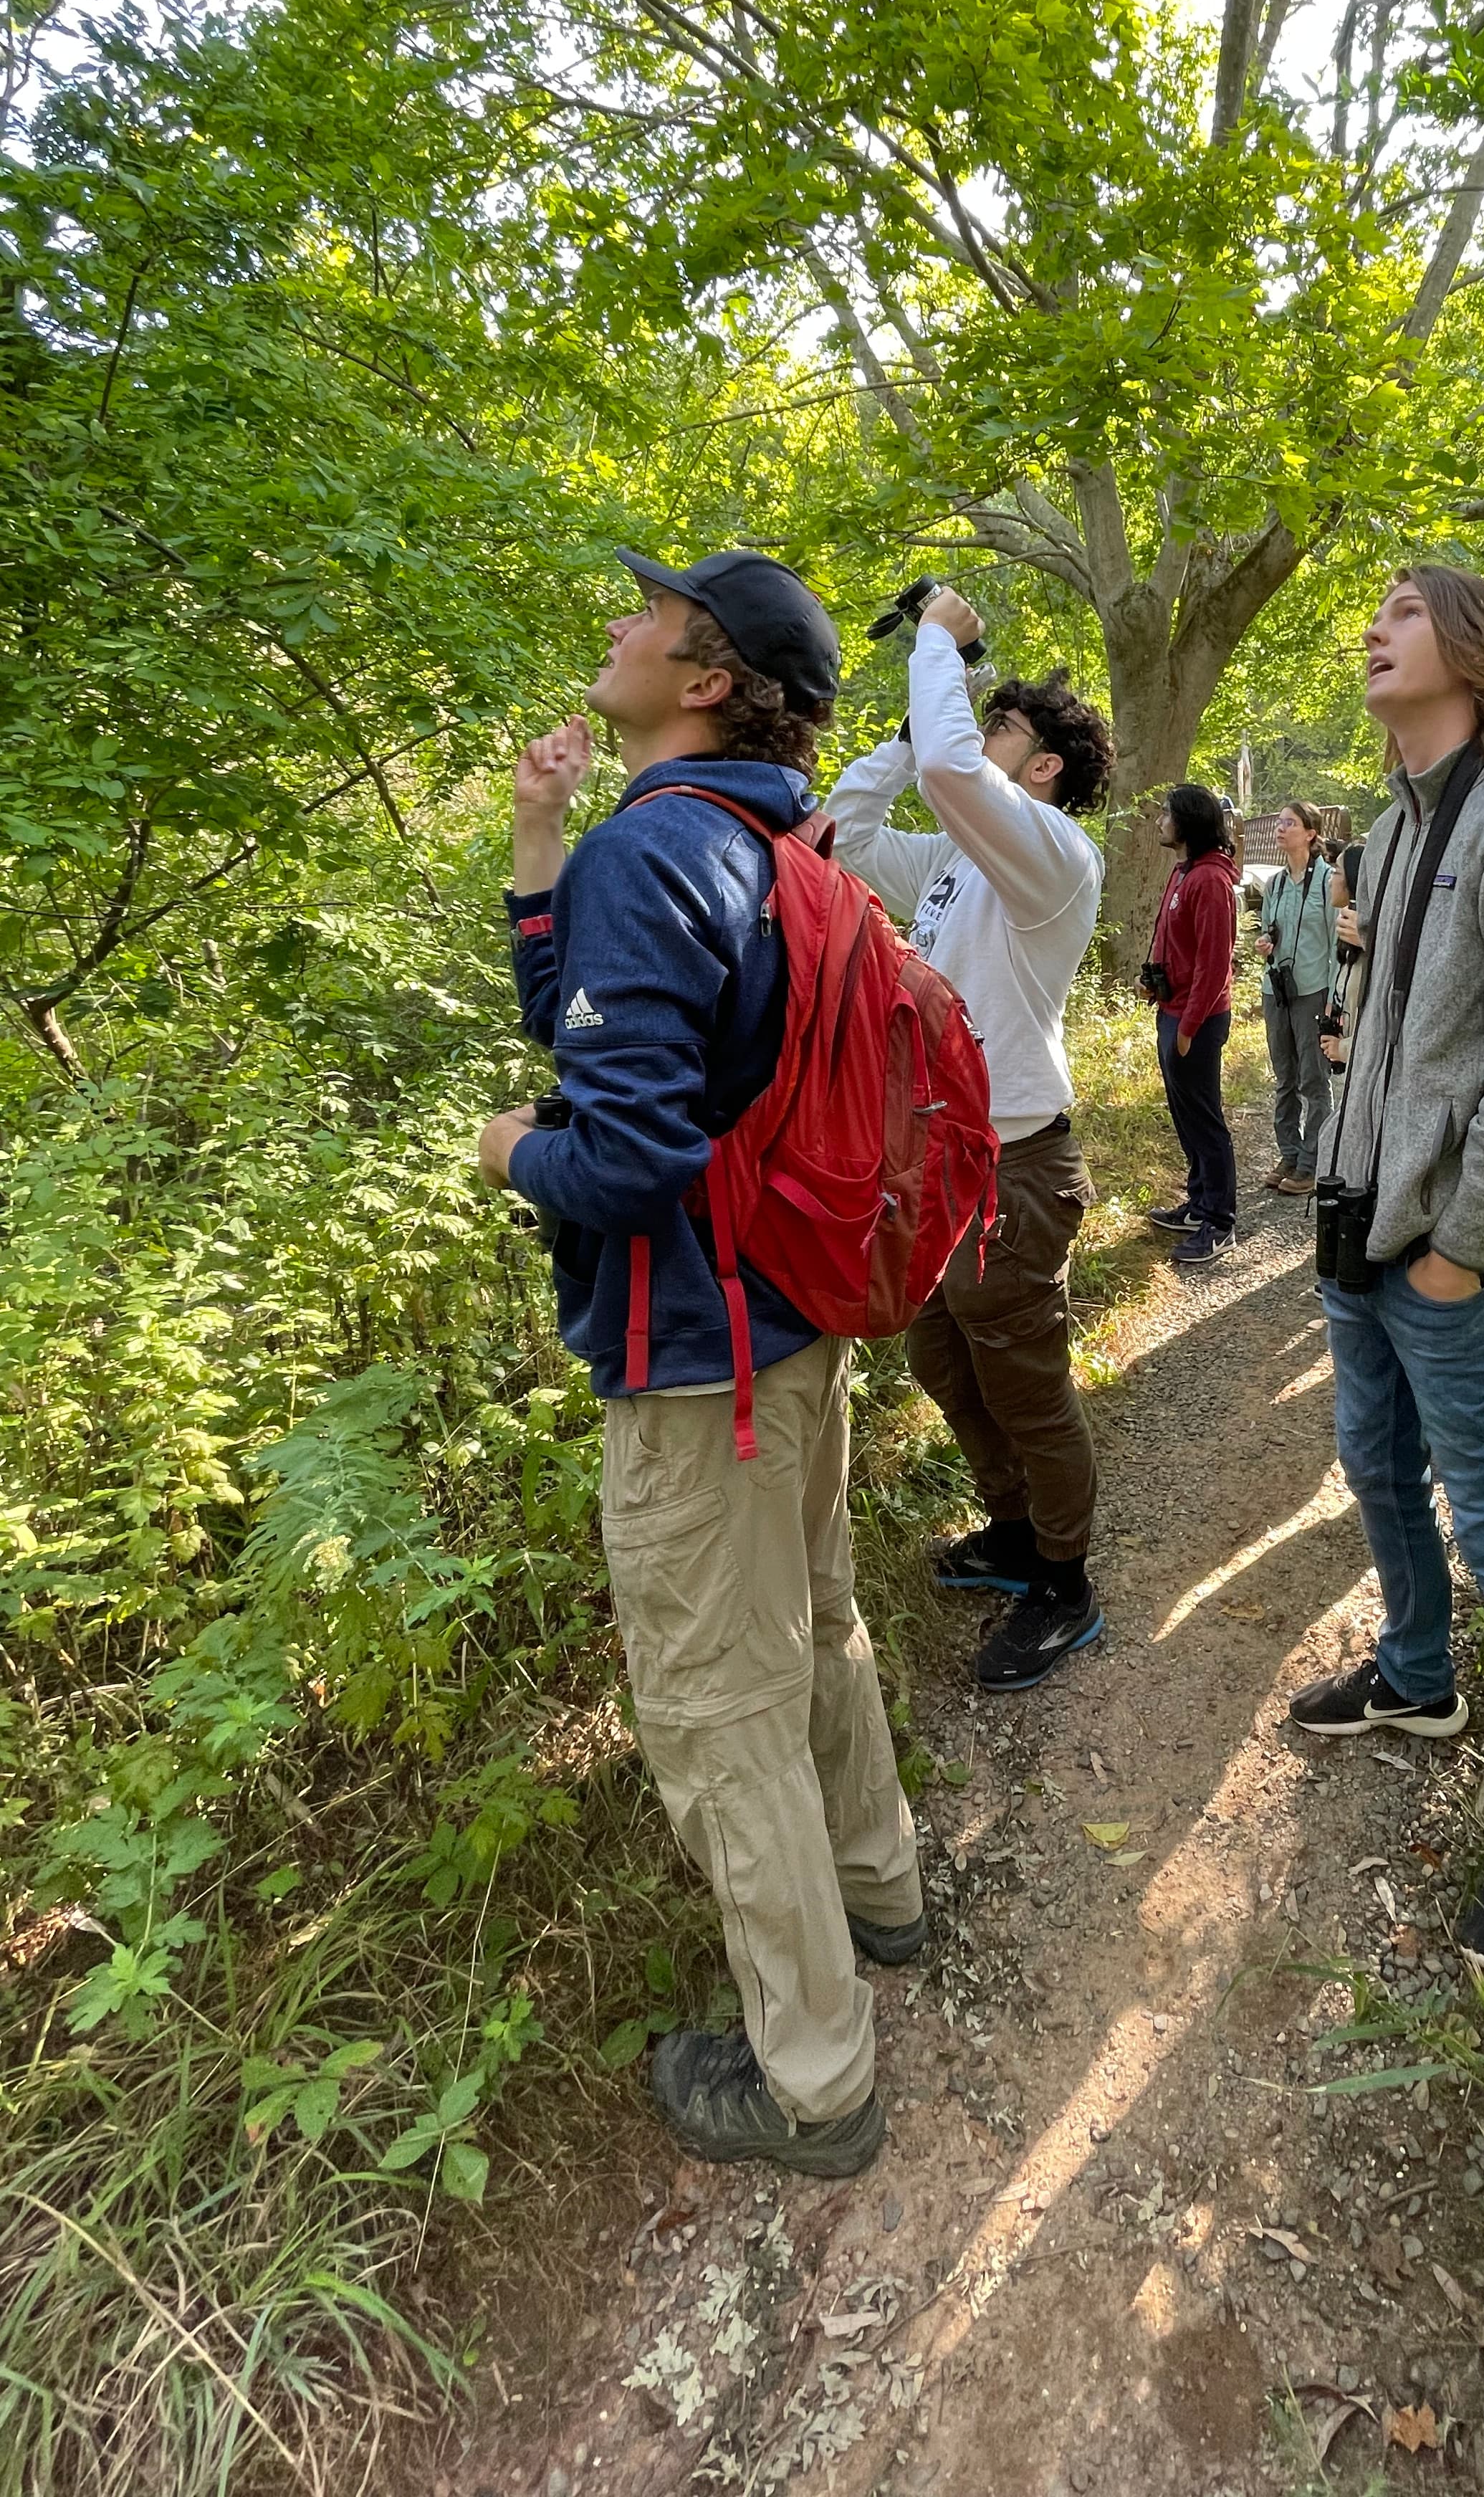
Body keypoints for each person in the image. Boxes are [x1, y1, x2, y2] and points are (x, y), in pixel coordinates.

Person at [476, 545, 922, 2179]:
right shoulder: (762, 838)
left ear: (708, 675)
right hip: (793, 1332)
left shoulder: (656, 851)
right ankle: (882, 1896)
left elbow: (624, 1148)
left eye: (649, 615)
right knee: (818, 1632)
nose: (617, 621)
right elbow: (593, 1023)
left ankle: (815, 2082)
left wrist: (511, 1156)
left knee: (720, 1717)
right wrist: (539, 854)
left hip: (696, 1367)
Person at [1289, 559, 1484, 1983]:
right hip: (1364, 1224)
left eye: (1406, 612)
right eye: (1378, 610)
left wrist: (1462, 1257)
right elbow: (1391, 1036)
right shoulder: (1394, 825)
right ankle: (1419, 1682)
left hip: (1446, 1255)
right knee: (1375, 1466)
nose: (1375, 626)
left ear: (1480, 653)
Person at [827, 590, 1114, 1691]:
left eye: (1001, 733)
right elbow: (844, 841)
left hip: (1017, 1166)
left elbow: (959, 773)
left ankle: (1066, 1581)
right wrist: (906, 735)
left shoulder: (1053, 859)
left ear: (1040, 771)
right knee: (942, 1354)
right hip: (940, 1164)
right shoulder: (958, 866)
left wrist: (937, 647)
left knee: (1023, 1373)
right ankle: (1015, 1531)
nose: (977, 743)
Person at [1141, 783, 1241, 1266]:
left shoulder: (1211, 881)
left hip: (1195, 1021)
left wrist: (1189, 1027)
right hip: (1173, 1010)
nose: (1161, 821)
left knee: (1205, 1121)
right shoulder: (1184, 872)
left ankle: (1219, 1222)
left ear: (1187, 822)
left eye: (1167, 814)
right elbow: (1174, 944)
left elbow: (1214, 964)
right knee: (1186, 1118)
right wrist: (1155, 983)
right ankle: (1198, 1201)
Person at [1253, 799, 1339, 1196]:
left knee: (1313, 1078)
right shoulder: (1274, 884)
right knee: (1285, 1078)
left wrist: (1332, 998)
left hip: (1312, 992)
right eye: (1280, 822)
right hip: (1277, 990)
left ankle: (1312, 1162)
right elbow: (1271, 930)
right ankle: (1289, 1154)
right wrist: (1266, 942)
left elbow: (1337, 942)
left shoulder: (1326, 882)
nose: (1281, 828)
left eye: (1290, 823)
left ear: (1310, 833)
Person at [1316, 836, 1367, 1098]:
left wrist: (1344, 1049)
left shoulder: (1372, 937)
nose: (1330, 878)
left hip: (1363, 1070)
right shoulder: (1348, 927)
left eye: (1336, 871)